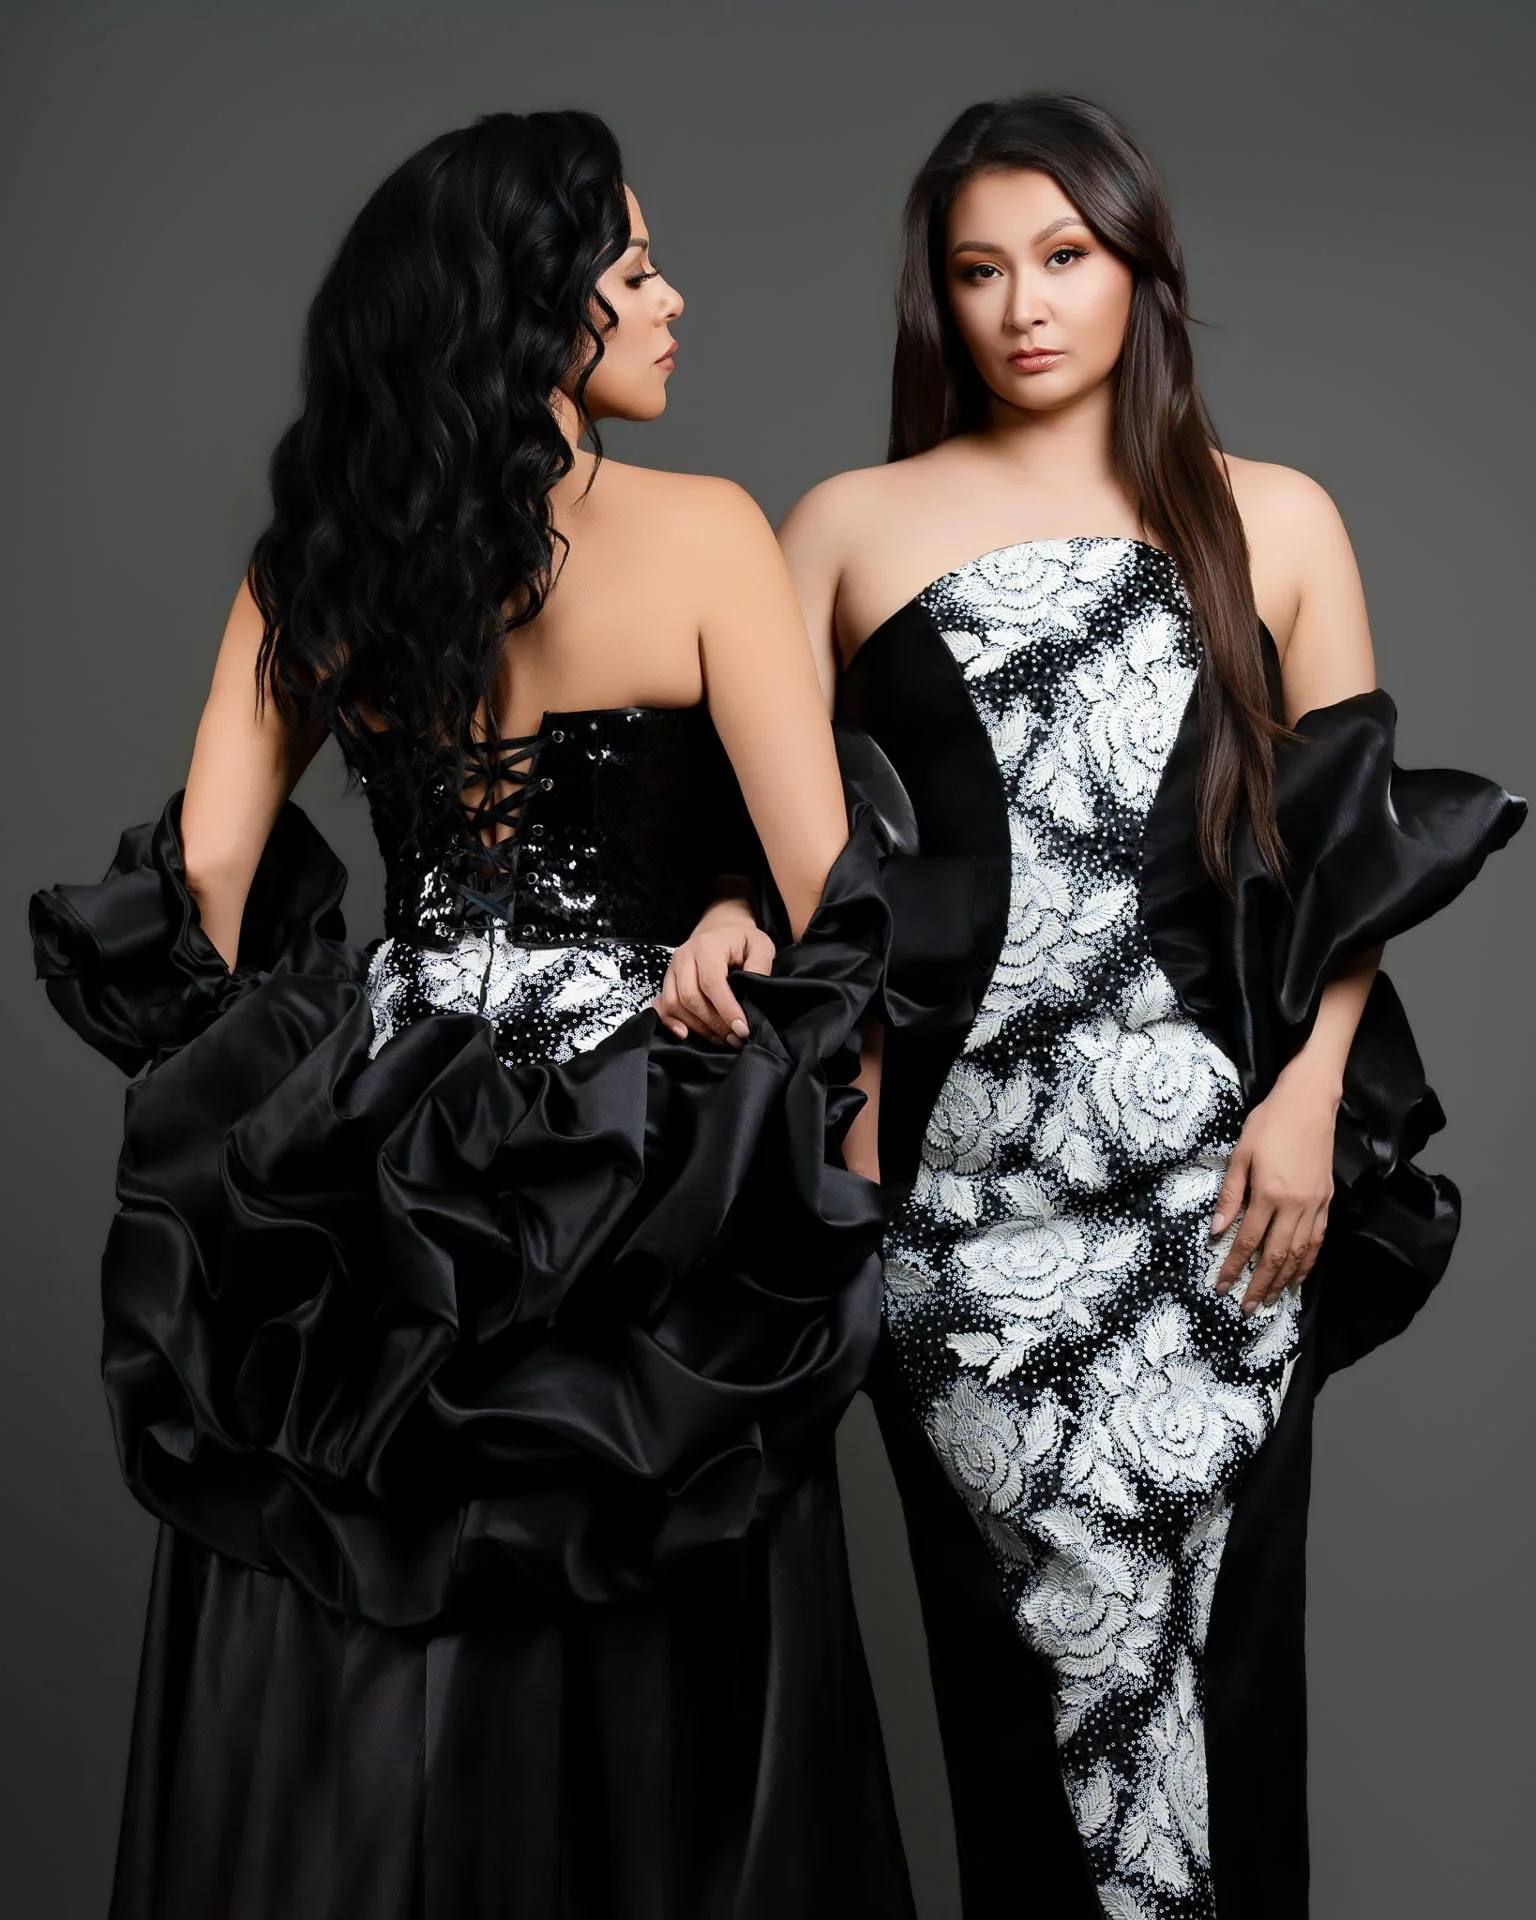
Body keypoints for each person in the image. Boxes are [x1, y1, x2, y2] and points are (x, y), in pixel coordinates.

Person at [30, 110, 917, 1920]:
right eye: (634, 270)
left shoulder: (319, 567)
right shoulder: (708, 535)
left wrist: (269, 1120)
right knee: (652, 1629)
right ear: (532, 304)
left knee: (372, 1603)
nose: (672, 301)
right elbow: (844, 912)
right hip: (647, 1147)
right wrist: (847, 1196)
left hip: (384, 1147)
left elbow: (196, 903)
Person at [671, 91, 1523, 1919]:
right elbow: (772, 838)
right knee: (1018, 1696)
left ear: (1141, 266)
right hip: (953, 1208)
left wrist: (1309, 1103)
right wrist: (731, 914)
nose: (1025, 306)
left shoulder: (1274, 518)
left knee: (1229, 1682)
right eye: (980, 271)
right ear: (940, 295)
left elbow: (1352, 863)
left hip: (1223, 1190)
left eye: (1064, 258)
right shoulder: (843, 527)